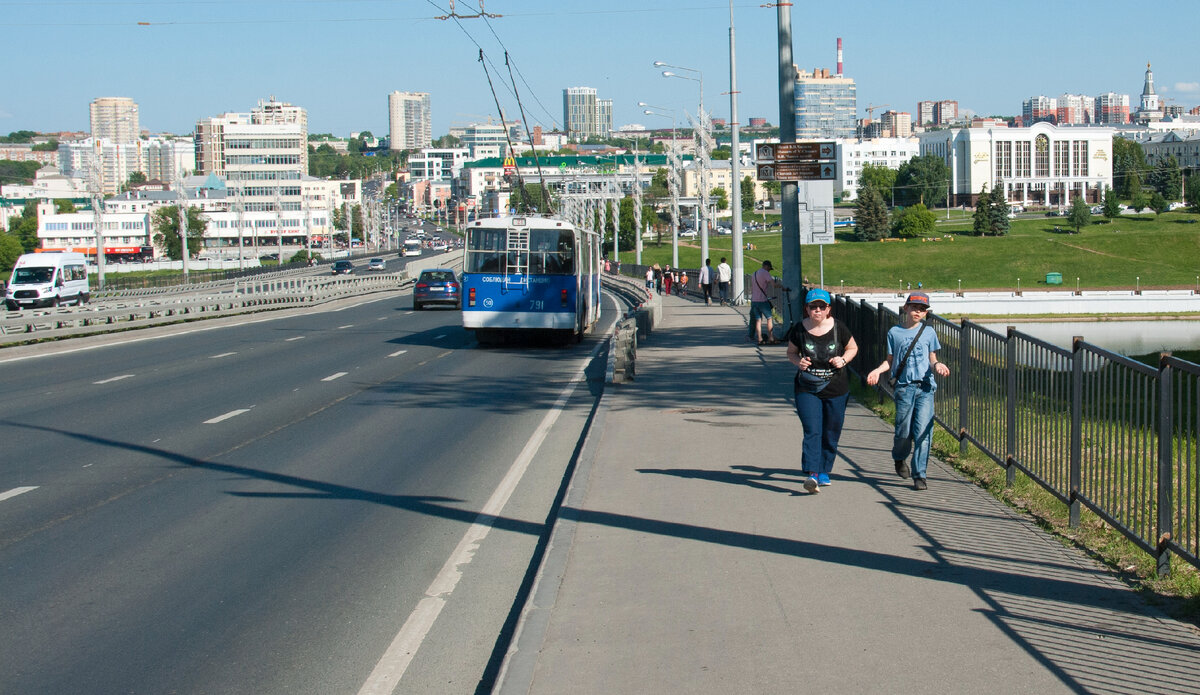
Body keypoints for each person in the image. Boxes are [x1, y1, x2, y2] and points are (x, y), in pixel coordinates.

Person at [865, 292, 952, 491]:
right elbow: (889, 361)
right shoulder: (894, 332)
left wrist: (938, 365)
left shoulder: (929, 332)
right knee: (903, 431)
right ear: (906, 308)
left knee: (923, 431)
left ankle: (920, 474)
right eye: (914, 308)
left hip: (925, 387)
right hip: (904, 388)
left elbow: (932, 357)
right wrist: (877, 371)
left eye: (922, 309)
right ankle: (899, 457)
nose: (917, 312)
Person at [787, 288, 858, 493]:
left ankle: (825, 469)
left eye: (821, 306)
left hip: (836, 387)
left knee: (831, 431)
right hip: (806, 387)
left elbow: (853, 348)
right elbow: (791, 352)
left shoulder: (839, 328)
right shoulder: (799, 329)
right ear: (807, 309)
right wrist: (797, 362)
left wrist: (843, 359)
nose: (817, 310)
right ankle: (813, 473)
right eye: (813, 307)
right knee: (812, 429)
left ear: (828, 309)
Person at [748, 260, 780, 344]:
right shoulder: (765, 273)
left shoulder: (754, 274)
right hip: (762, 300)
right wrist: (781, 286)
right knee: (769, 318)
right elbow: (774, 285)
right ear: (767, 266)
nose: (769, 270)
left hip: (754, 300)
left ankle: (759, 339)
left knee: (758, 320)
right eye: (769, 268)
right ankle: (771, 337)